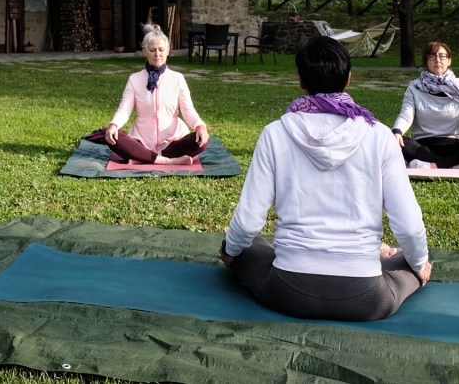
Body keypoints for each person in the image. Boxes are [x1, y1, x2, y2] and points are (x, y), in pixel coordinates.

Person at [221, 36, 431, 321]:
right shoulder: (380, 136)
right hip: (368, 297)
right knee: (413, 259)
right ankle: (391, 259)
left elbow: (247, 222)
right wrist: (419, 264)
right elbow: (409, 224)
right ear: (349, 79)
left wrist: (230, 252)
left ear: (300, 80)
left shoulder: (275, 133)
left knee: (244, 246)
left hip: (287, 292)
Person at [104, 23, 209, 165]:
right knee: (114, 137)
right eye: (152, 50)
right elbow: (124, 110)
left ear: (168, 51)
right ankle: (167, 161)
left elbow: (187, 110)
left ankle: (143, 158)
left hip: (172, 142)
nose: (157, 54)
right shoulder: (134, 79)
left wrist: (200, 127)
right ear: (145, 52)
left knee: (202, 141)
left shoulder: (177, 78)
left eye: (161, 49)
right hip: (141, 141)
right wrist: (114, 125)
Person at [392, 41, 459, 169]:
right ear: (426, 61)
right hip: (423, 147)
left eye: (442, 56)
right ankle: (454, 164)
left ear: (449, 61)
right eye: (432, 56)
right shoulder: (414, 87)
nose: (437, 60)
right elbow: (406, 115)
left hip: (455, 145)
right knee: (397, 141)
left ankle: (434, 165)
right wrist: (397, 131)